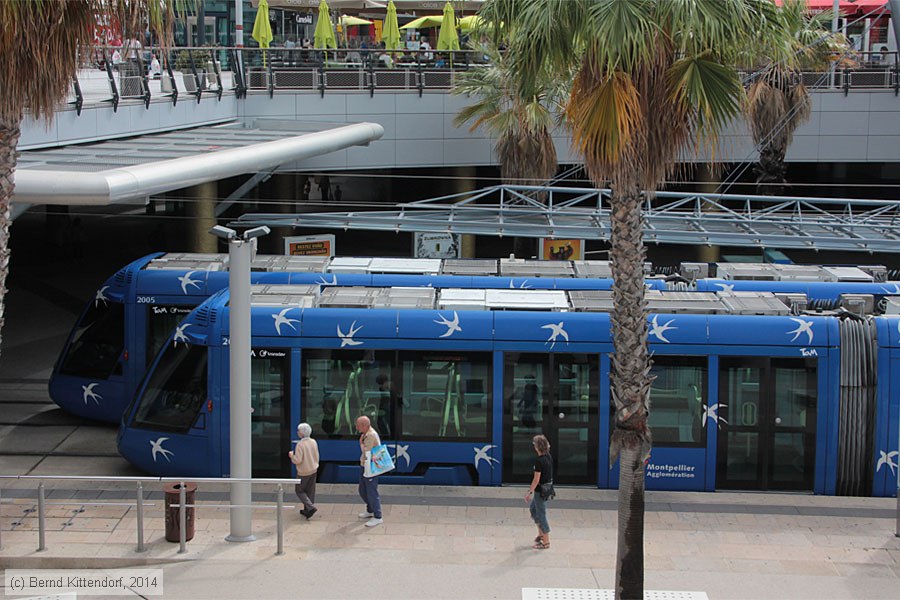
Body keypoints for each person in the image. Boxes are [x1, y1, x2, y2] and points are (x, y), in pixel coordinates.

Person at [524, 434, 552, 550]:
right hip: (546, 489)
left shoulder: (539, 461)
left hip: (539, 491)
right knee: (533, 509)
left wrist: (529, 492)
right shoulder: (548, 457)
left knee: (541, 514)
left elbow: (536, 480)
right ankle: (541, 534)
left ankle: (546, 542)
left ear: (537, 447)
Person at [356, 415, 383, 527]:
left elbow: (367, 452)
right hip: (365, 466)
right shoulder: (366, 434)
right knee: (363, 489)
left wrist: (361, 443)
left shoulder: (370, 435)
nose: (356, 427)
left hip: (370, 467)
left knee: (371, 491)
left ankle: (378, 516)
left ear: (364, 425)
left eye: (358, 425)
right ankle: (370, 509)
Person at [288, 422, 320, 519]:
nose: (297, 432)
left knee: (299, 490)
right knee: (310, 490)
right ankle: (307, 510)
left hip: (303, 472)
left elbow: (298, 460)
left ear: (301, 433)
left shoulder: (300, 445)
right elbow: (317, 455)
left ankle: (310, 507)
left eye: (298, 431)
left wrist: (291, 455)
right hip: (313, 470)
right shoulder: (313, 441)